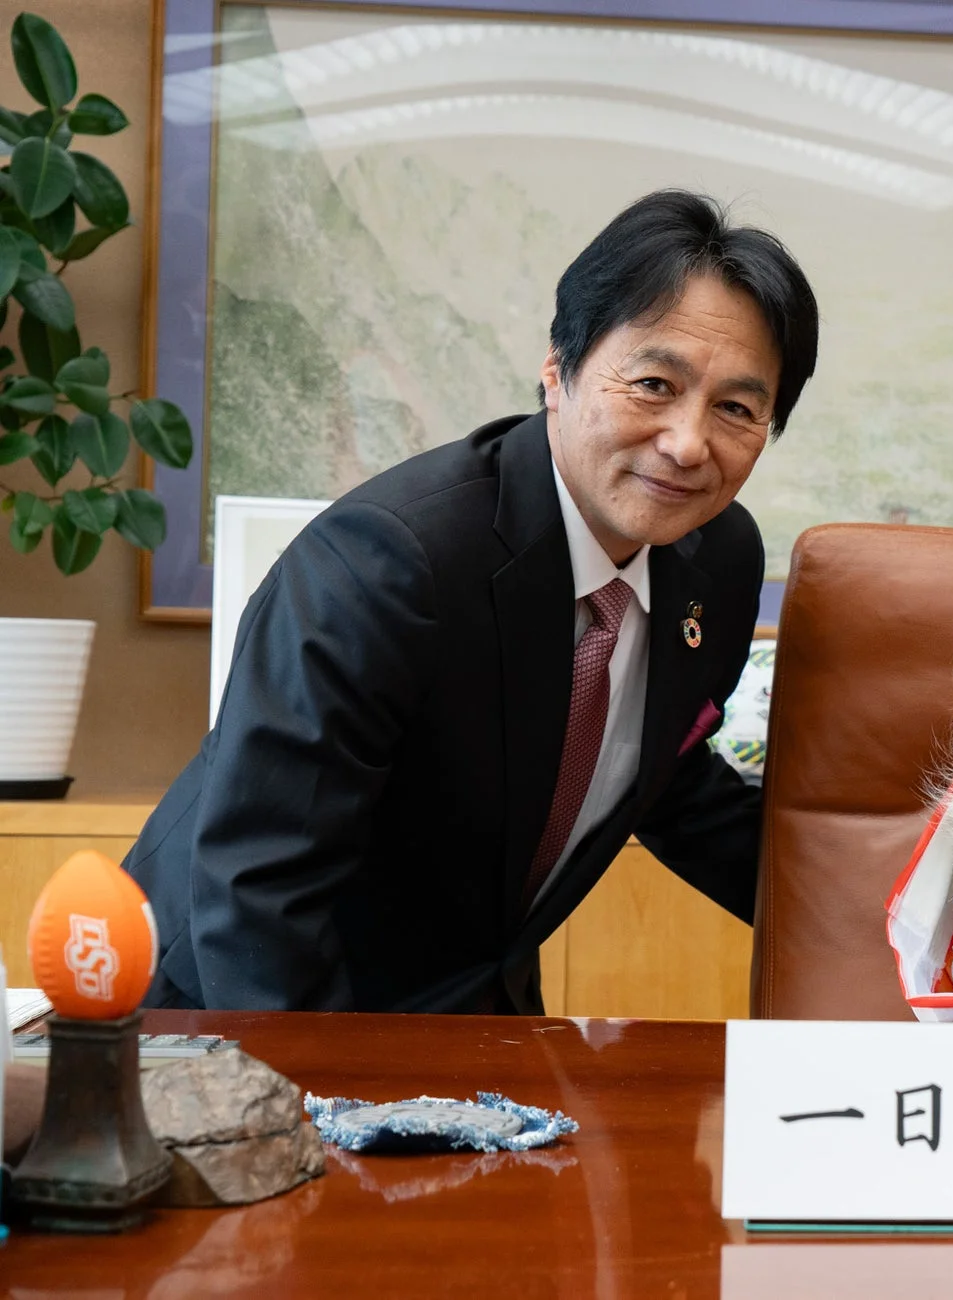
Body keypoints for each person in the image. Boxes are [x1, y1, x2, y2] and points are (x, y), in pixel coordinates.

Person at [126, 190, 818, 1013]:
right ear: (557, 368)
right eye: (653, 384)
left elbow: (658, 771)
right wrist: (319, 1091)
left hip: (463, 1011)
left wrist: (880, 923)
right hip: (221, 1012)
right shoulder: (389, 563)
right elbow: (259, 889)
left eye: (736, 408)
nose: (687, 443)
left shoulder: (719, 560)